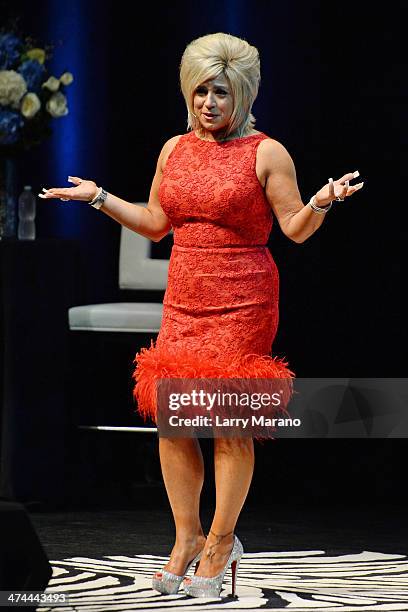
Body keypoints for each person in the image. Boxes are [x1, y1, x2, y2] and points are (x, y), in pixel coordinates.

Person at [39, 32, 364, 599]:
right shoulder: (174, 149)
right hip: (185, 294)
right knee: (175, 419)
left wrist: (321, 200)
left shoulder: (267, 152)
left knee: (229, 422)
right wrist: (97, 197)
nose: (208, 104)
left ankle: (221, 540)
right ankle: (186, 536)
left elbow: (293, 229)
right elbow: (156, 222)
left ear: (242, 94)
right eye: (199, 92)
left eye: (220, 93)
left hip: (244, 297)